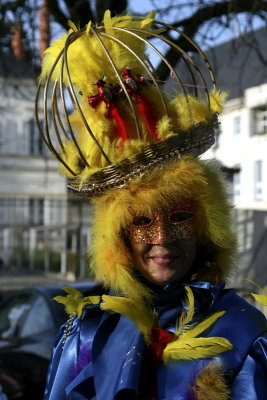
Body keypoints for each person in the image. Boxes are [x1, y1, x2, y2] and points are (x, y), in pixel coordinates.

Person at [36, 11, 267, 400]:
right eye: (141, 221)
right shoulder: (90, 333)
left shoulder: (244, 333)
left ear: (207, 223)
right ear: (119, 235)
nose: (161, 239)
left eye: (179, 217)